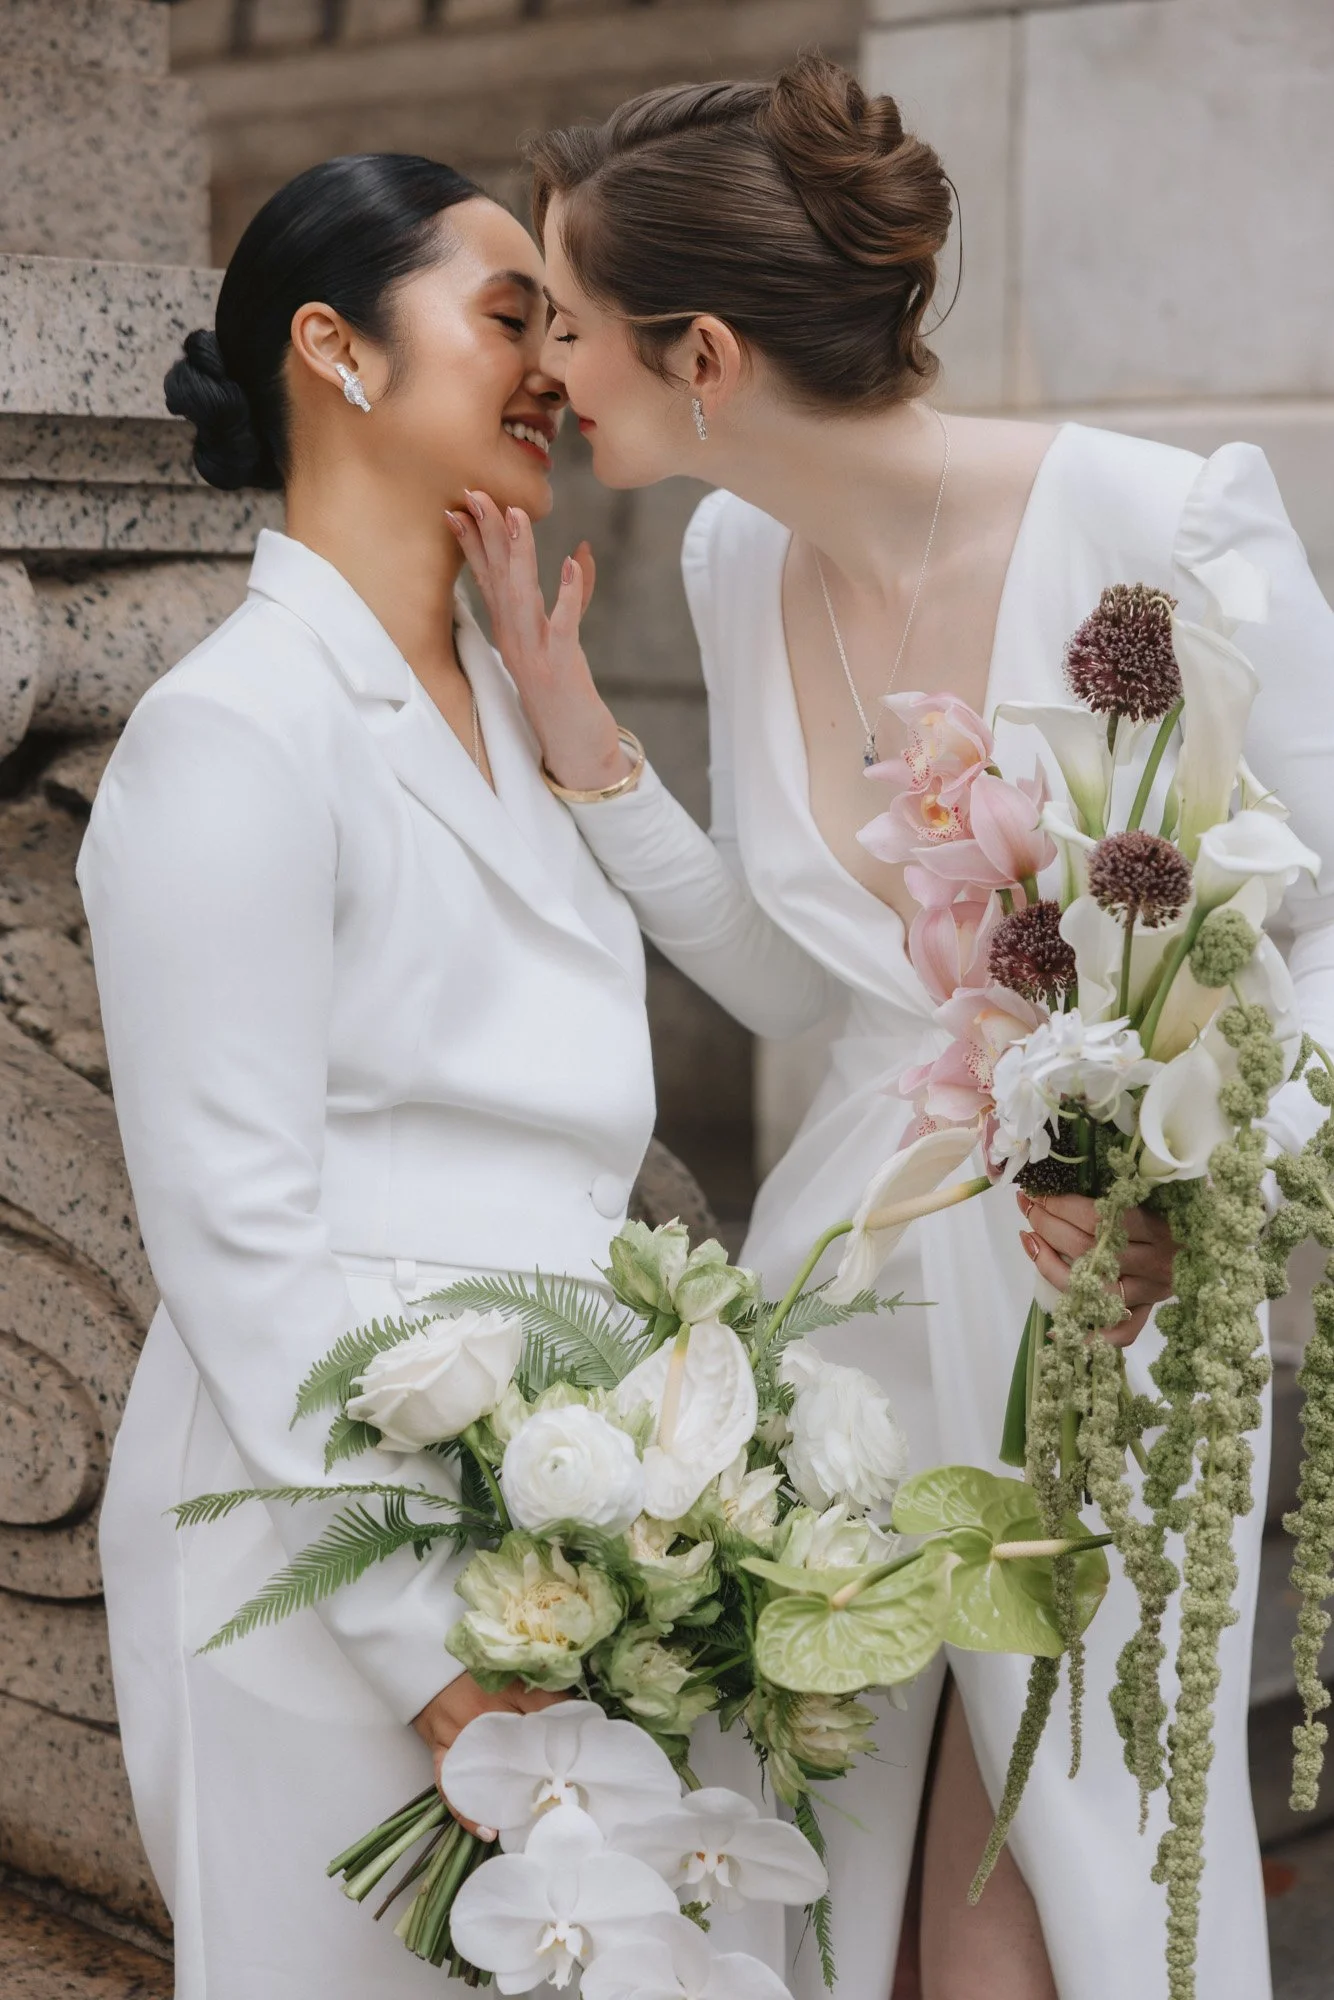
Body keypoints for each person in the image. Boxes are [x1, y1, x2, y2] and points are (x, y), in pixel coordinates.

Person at [448, 54, 1334, 2000]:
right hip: (838, 1298)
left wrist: (1193, 1189)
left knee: (1072, 1844)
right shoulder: (730, 554)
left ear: (703, 350)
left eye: (573, 327)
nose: (547, 377)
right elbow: (804, 989)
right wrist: (582, 741)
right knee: (818, 1837)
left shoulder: (1159, 521)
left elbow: (1323, 927)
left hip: (1094, 1298)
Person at [78, 153, 662, 2000]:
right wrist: (434, 1656)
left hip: (588, 1537)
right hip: (324, 1563)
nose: (553, 366)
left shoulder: (513, 704)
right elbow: (237, 1240)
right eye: (508, 317)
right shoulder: (230, 734)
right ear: (332, 348)